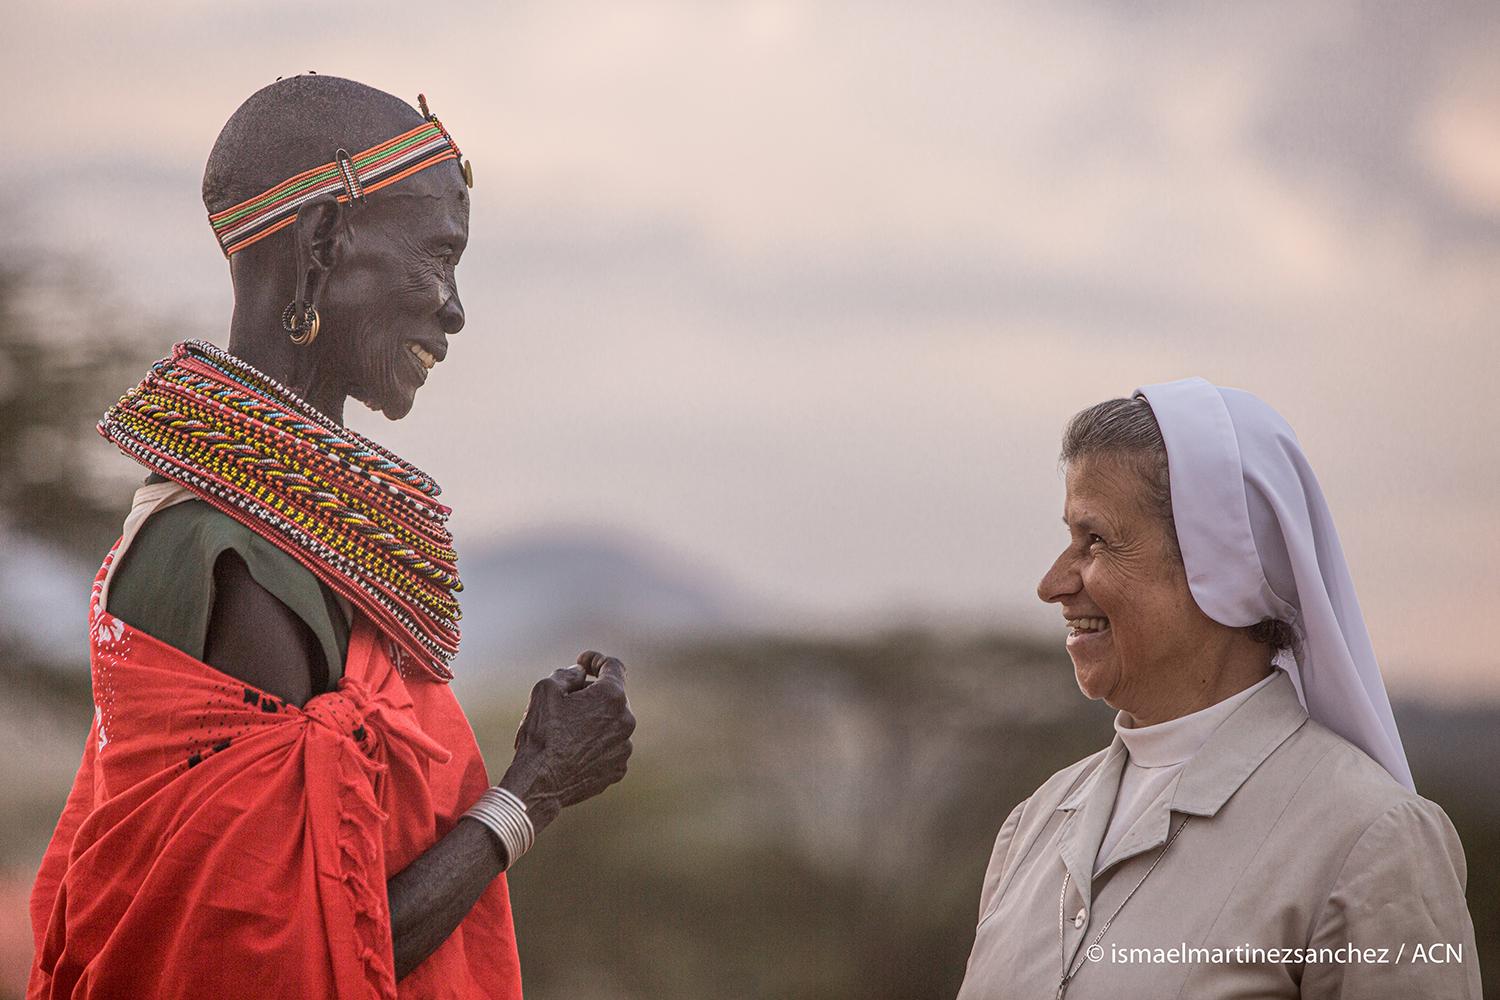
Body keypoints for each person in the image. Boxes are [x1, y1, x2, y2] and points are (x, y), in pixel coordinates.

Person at [28, 75, 636, 998]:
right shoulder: (235, 559)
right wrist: (532, 792)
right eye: (438, 256)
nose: (455, 308)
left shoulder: (260, 539)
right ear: (321, 244)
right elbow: (298, 959)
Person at [957, 379, 1481, 998]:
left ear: (1220, 566)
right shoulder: (1034, 826)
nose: (1052, 584)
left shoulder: (1372, 840)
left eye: (1095, 541)